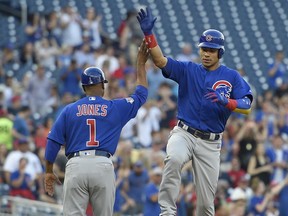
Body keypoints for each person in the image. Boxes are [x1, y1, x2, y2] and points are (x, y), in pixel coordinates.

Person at [137, 8, 253, 216]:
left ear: (220, 52)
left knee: (206, 204)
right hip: (184, 132)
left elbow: (247, 104)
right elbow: (160, 61)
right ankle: (167, 212)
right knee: (173, 159)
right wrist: (149, 35)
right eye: (204, 49)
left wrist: (229, 102)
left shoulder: (231, 76)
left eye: (211, 49)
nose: (206, 53)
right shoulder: (189, 69)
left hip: (210, 142)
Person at [44, 40, 149, 216]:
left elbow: (53, 142)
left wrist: (48, 171)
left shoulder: (69, 109)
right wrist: (140, 63)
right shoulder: (115, 107)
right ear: (102, 85)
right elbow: (141, 95)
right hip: (102, 164)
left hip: (76, 165)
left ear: (84, 87)